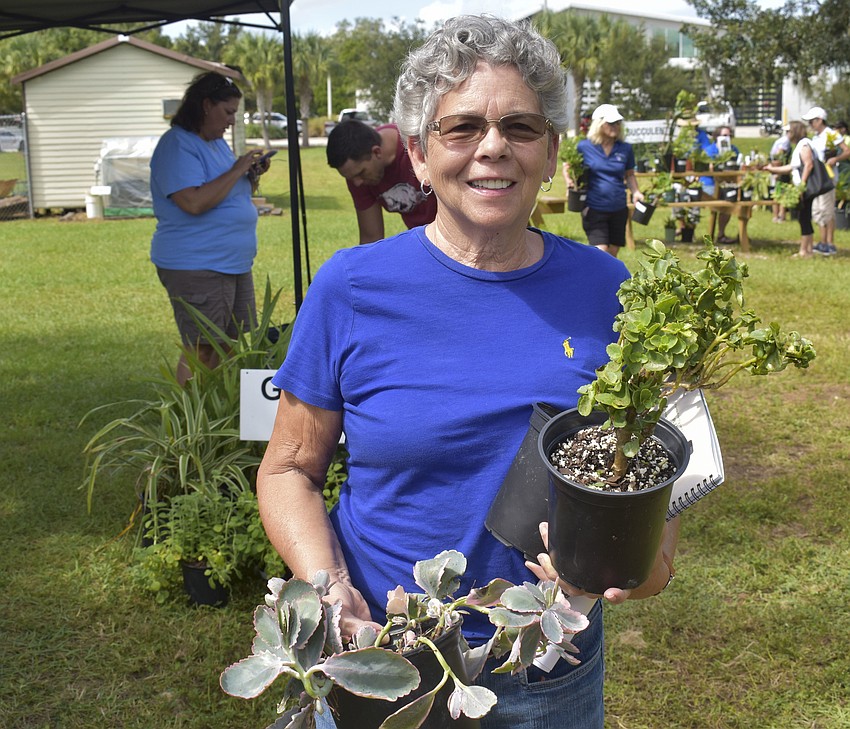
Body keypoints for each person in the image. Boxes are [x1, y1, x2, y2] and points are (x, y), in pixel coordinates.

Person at [257, 15, 680, 729]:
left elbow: (650, 482)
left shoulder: (608, 292)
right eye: (461, 129)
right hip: (383, 659)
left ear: (550, 153)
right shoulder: (353, 288)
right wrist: (326, 587)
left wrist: (644, 568)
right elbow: (289, 468)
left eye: (520, 127)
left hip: (548, 673)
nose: (493, 149)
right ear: (418, 155)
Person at [149, 71, 270, 386]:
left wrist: (249, 174)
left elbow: (227, 190)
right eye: (228, 112)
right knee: (202, 348)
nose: (231, 121)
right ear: (205, 105)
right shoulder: (177, 145)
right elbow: (193, 202)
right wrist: (238, 167)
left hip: (230, 262)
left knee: (229, 344)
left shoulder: (216, 144)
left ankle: (221, 416)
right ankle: (190, 424)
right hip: (197, 264)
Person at [326, 119, 438, 244]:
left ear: (376, 152)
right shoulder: (357, 175)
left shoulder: (420, 146)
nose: (357, 183)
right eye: (351, 178)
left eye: (361, 173)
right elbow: (371, 237)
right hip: (423, 242)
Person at [564, 103, 644, 257]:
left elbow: (629, 174)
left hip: (618, 208)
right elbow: (569, 167)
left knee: (613, 253)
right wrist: (570, 184)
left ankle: (606, 280)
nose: (616, 126)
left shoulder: (625, 148)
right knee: (601, 252)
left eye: (618, 123)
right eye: (611, 123)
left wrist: (636, 192)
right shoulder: (584, 147)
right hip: (594, 208)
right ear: (599, 124)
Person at [801, 106, 850, 255]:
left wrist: (836, 158)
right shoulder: (816, 137)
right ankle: (823, 242)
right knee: (819, 210)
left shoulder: (832, 134)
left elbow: (847, 150)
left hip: (828, 178)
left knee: (826, 210)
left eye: (812, 121)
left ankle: (829, 243)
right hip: (818, 178)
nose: (810, 124)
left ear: (820, 120)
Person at [764, 120, 816, 258]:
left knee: (803, 217)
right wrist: (773, 169)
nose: (787, 134)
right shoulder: (800, 145)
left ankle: (804, 251)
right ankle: (808, 249)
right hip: (802, 186)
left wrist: (801, 186)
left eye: (789, 131)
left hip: (805, 187)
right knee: (804, 217)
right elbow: (792, 167)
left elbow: (808, 164)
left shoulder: (804, 144)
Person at [701, 125, 740, 243]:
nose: (727, 138)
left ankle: (721, 234)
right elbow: (709, 169)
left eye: (729, 135)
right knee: (721, 202)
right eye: (724, 135)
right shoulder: (710, 150)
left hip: (728, 183)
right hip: (709, 183)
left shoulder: (733, 150)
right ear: (717, 137)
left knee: (730, 201)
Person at [769, 125, 792, 223]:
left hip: (775, 169)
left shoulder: (781, 140)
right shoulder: (785, 142)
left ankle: (776, 216)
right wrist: (778, 169)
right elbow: (779, 154)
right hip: (780, 169)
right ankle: (781, 216)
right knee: (782, 193)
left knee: (776, 192)